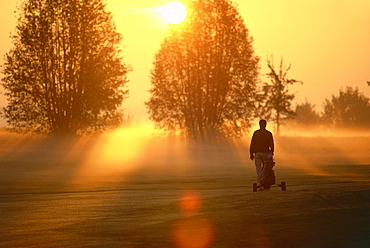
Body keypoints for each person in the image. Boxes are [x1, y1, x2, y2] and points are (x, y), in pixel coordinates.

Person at [250, 119, 274, 188]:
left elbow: (252, 144)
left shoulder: (256, 133)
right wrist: (271, 153)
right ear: (265, 125)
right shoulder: (268, 133)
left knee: (258, 169)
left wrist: (251, 153)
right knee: (265, 168)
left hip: (257, 153)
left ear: (259, 124)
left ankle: (260, 184)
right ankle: (265, 182)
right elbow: (271, 145)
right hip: (266, 153)